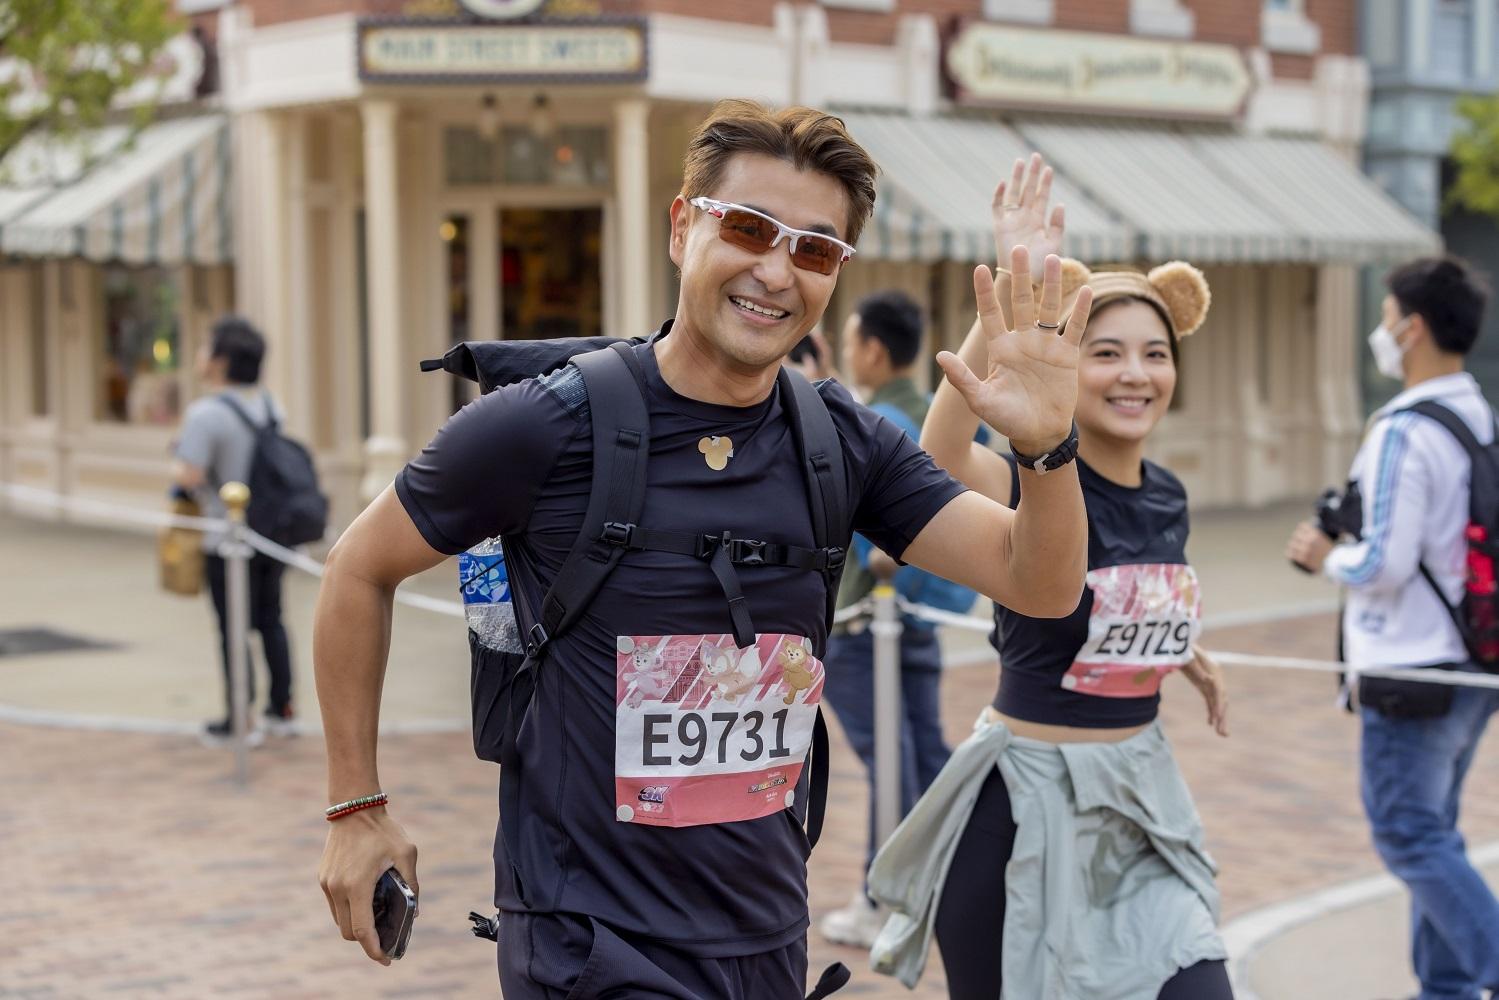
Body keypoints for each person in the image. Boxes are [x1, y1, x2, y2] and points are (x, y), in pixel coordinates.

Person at [313, 100, 1095, 996]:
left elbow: (1036, 585)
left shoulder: (841, 439)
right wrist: (354, 806)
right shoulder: (545, 425)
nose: (774, 269)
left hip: (763, 935)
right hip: (588, 941)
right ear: (684, 227)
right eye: (750, 228)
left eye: (812, 248)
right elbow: (357, 565)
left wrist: (1044, 447)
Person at [867, 154, 1233, 1000]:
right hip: (1019, 807)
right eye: (1105, 352)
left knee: (1199, 981)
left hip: (1140, 803)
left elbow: (1118, 602)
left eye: (1154, 352)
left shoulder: (1170, 493)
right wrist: (1009, 299)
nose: (1134, 373)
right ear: (1068, 361)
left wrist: (1178, 649)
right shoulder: (1026, 476)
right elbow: (940, 460)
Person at [1286, 256, 1499, 1000]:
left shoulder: (1404, 428)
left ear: (1409, 328)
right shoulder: (1476, 413)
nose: (1380, 331)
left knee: (1408, 834)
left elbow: (1383, 561)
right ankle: (1442, 990)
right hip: (1473, 659)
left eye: (1383, 317)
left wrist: (1326, 556)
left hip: (1410, 666)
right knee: (1433, 829)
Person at [818, 290, 955, 948]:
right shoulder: (936, 418)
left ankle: (884, 896)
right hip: (924, 620)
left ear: (873, 349)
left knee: (891, 761)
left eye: (850, 345)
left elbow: (876, 552)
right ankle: (940, 888)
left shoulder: (873, 425)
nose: (850, 356)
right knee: (927, 756)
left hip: (862, 625)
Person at [173, 316, 296, 745]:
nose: (199, 355)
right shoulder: (268, 404)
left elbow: (189, 476)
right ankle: (281, 709)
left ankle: (239, 719)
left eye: (205, 346)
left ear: (221, 360)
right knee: (271, 621)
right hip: (271, 532)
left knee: (233, 628)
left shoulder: (205, 413)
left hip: (225, 538)